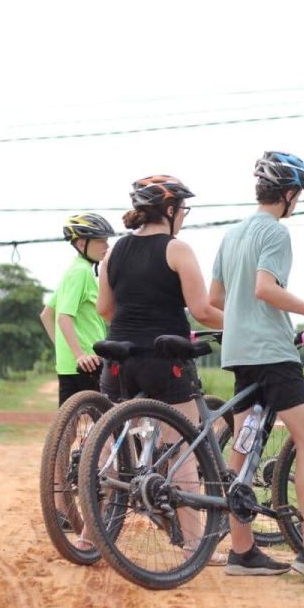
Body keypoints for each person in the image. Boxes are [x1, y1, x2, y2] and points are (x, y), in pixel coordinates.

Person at [209, 151, 304, 584]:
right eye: (298, 196)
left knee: (244, 448)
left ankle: (242, 549)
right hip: (272, 355)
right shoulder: (275, 233)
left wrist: (247, 322)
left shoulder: (232, 235)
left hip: (239, 354)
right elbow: (265, 288)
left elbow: (216, 300)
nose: (298, 203)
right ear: (288, 194)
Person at [96, 174, 225, 560]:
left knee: (107, 453)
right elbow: (201, 310)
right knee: (183, 446)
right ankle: (192, 544)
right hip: (164, 359)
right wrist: (239, 322)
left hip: (119, 358)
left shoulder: (112, 252)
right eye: (182, 208)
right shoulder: (177, 250)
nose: (183, 216)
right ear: (169, 211)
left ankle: (89, 535)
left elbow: (105, 309)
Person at [40, 213, 115, 406]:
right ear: (82, 244)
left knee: (68, 428)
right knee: (109, 423)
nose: (106, 247)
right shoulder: (81, 272)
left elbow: (47, 314)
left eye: (107, 241)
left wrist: (66, 351)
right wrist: (80, 354)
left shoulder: (72, 271)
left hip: (70, 365)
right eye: (101, 241)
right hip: (90, 362)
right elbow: (63, 317)